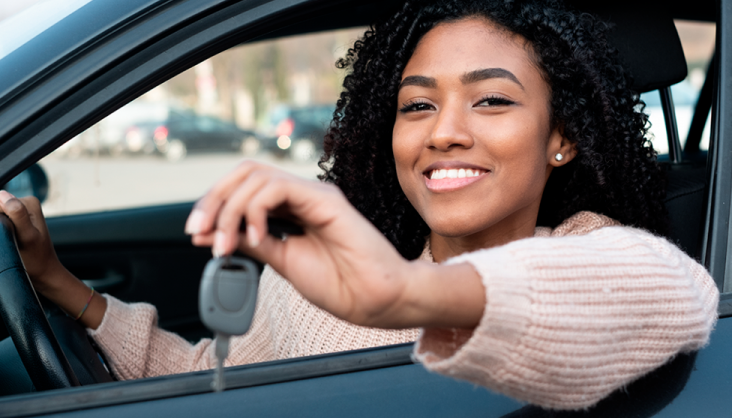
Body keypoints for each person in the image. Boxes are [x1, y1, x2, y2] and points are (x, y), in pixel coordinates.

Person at [0, 0, 718, 410]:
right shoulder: (318, 282)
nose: (443, 131)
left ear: (560, 140)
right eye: (418, 105)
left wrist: (406, 295)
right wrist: (59, 284)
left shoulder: (585, 252)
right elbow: (209, 381)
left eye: (492, 99)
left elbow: (671, 295)